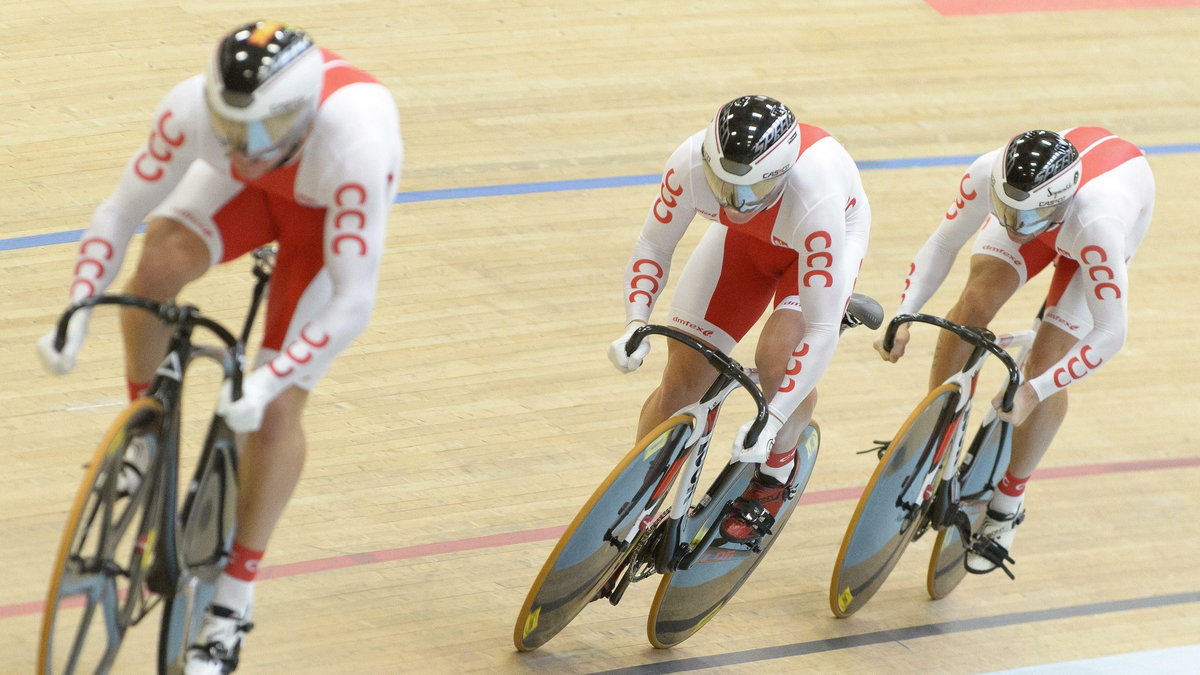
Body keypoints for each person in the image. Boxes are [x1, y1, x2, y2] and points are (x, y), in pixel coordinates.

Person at [36, 21, 403, 674]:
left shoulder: (357, 144)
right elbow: (119, 213)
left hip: (320, 218)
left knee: (276, 409)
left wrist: (268, 380)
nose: (241, 148)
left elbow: (354, 301)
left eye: (259, 134)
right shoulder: (197, 112)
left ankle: (233, 598)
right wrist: (76, 308)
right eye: (229, 132)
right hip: (259, 198)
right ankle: (145, 431)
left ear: (297, 115)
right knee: (154, 271)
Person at [875, 128, 1153, 574]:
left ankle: (1008, 502)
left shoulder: (1100, 224)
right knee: (973, 306)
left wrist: (1035, 389)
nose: (1016, 229)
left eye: (1024, 218)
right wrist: (905, 314)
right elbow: (943, 243)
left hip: (1090, 229)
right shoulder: (990, 174)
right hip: (1044, 208)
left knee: (1045, 362)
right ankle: (934, 434)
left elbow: (1111, 332)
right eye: (1007, 211)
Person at [607, 95, 871, 541]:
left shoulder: (815, 193)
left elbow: (823, 328)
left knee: (778, 355)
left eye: (747, 192)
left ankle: (775, 475)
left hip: (820, 246)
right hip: (748, 243)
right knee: (682, 379)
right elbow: (654, 245)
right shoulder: (691, 161)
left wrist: (772, 420)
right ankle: (635, 496)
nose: (731, 202)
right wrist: (636, 321)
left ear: (779, 177)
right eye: (720, 185)